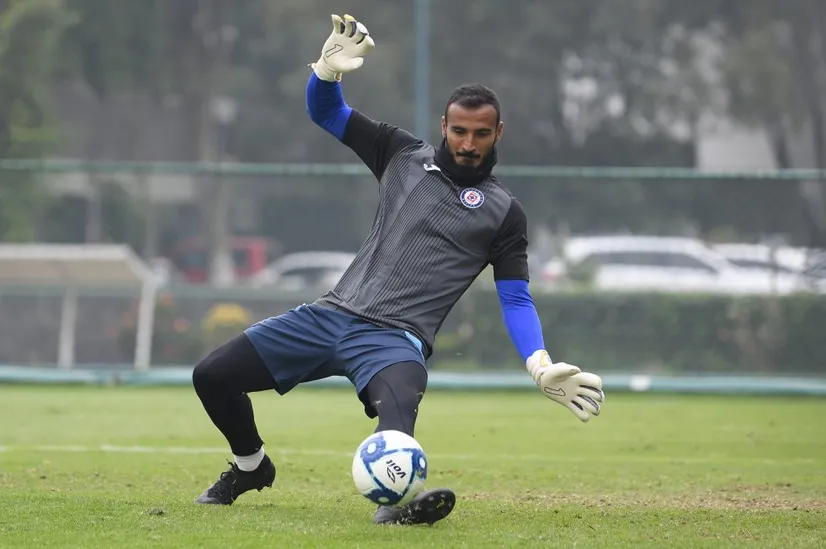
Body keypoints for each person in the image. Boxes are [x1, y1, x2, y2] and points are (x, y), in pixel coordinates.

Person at [190, 13, 605, 526]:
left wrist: (538, 363)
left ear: (498, 132)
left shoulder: (503, 212)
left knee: (399, 409)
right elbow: (328, 114)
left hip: (396, 340)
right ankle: (251, 467)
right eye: (459, 130)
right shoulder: (401, 154)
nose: (468, 143)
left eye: (480, 133)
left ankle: (399, 504)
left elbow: (515, 297)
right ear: (444, 126)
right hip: (330, 315)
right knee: (211, 376)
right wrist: (325, 74)